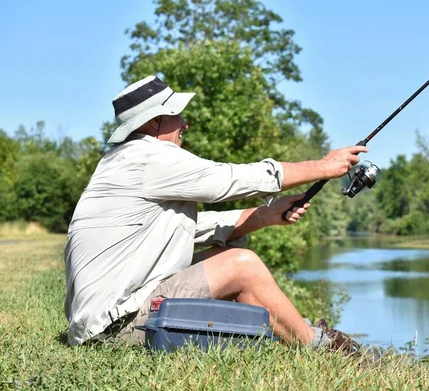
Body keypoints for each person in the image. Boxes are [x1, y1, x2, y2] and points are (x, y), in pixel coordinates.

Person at [64, 75, 367, 352]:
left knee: (232, 249)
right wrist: (323, 166)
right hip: (113, 328)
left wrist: (263, 216)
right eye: (176, 115)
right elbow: (229, 179)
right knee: (241, 264)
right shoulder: (150, 158)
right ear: (155, 122)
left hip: (101, 322)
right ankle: (322, 347)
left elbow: (182, 229)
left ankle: (299, 333)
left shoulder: (122, 162)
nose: (185, 123)